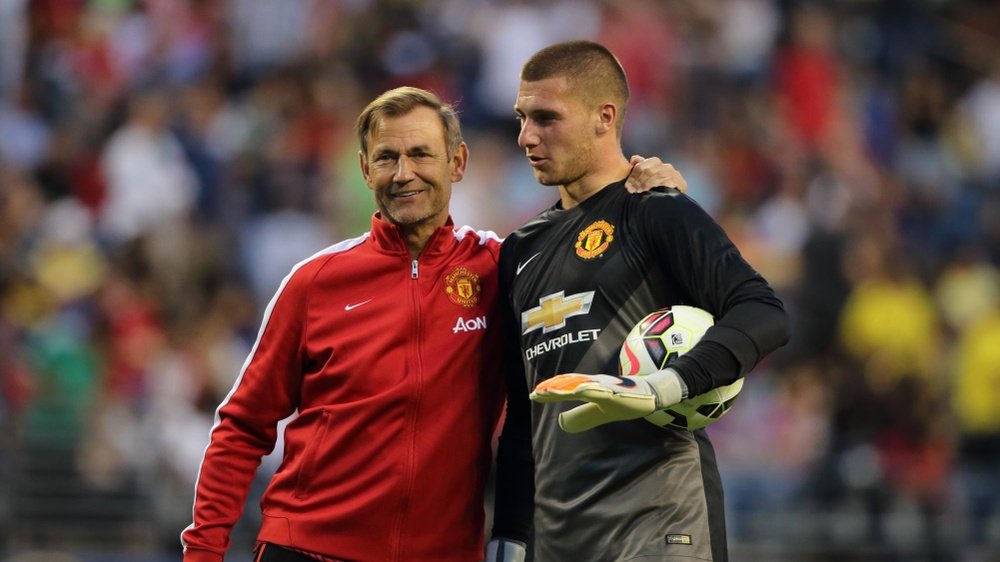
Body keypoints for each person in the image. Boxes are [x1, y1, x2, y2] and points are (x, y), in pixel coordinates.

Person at [180, 86, 687, 562]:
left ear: (457, 162)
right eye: (386, 158)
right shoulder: (314, 283)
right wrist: (203, 552)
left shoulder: (502, 268)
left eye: (421, 154)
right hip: (308, 548)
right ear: (364, 169)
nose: (404, 173)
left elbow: (598, 262)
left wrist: (648, 200)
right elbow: (242, 427)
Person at [489, 41, 791, 562]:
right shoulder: (520, 250)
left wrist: (662, 386)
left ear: (604, 117)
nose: (525, 137)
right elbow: (524, 416)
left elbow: (762, 312)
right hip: (560, 538)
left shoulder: (656, 211)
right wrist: (509, 541)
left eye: (545, 118)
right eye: (521, 118)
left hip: (661, 525)